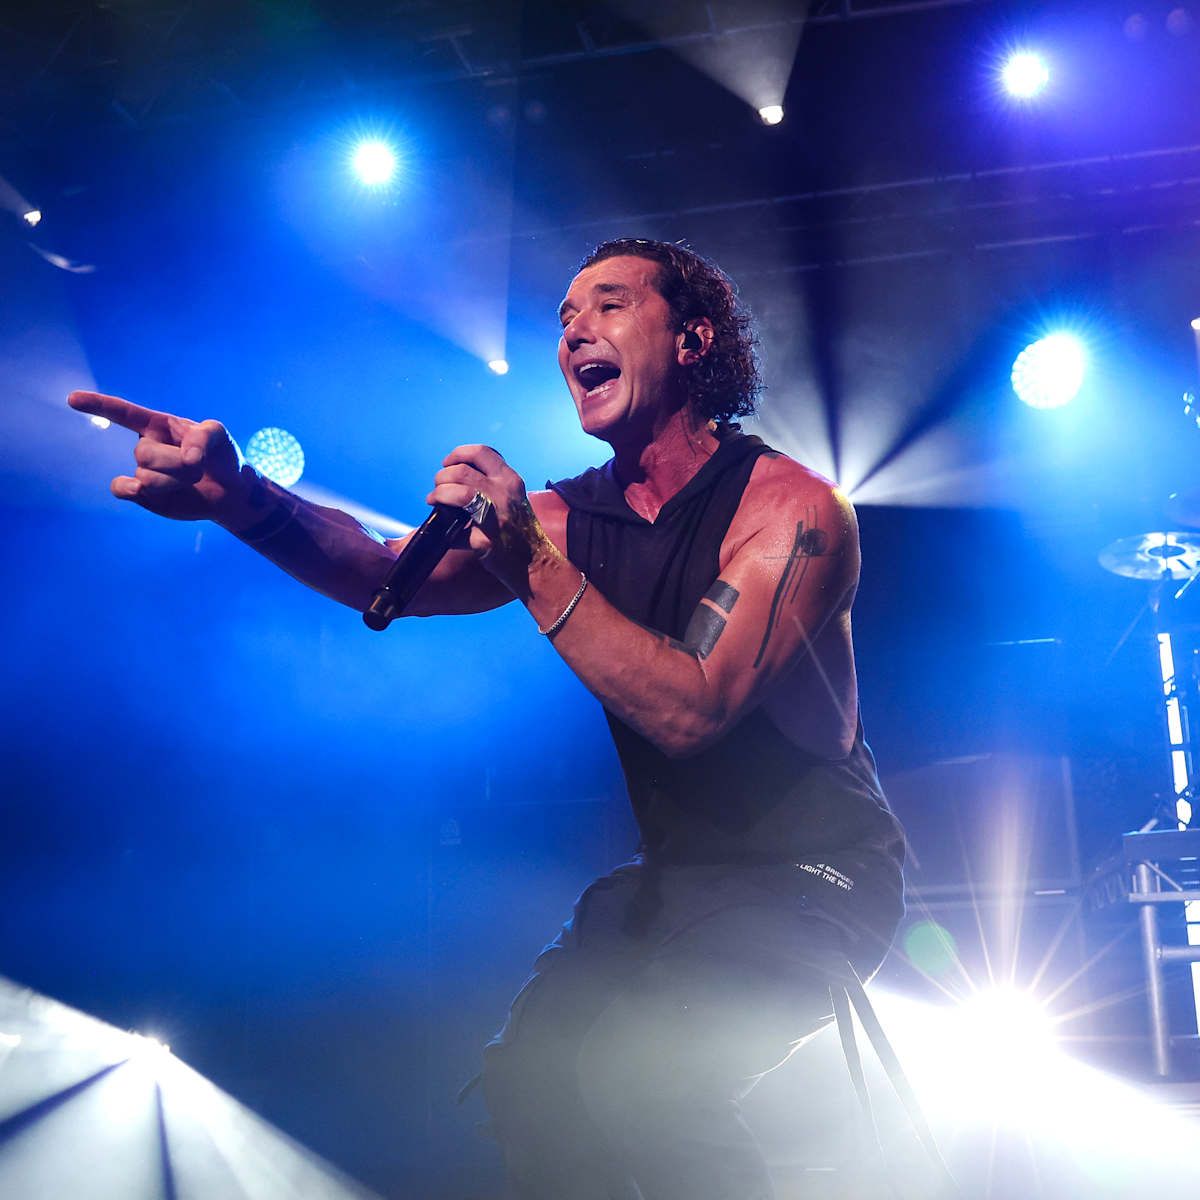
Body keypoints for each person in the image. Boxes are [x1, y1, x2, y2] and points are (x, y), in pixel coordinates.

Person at [68, 238, 905, 1199]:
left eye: (610, 306)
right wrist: (243, 501)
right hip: (681, 882)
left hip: (815, 877)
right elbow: (388, 572)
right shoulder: (569, 515)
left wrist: (529, 561)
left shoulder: (794, 511)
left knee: (651, 1085)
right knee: (530, 1087)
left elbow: (690, 709)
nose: (575, 332)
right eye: (563, 318)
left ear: (692, 339)